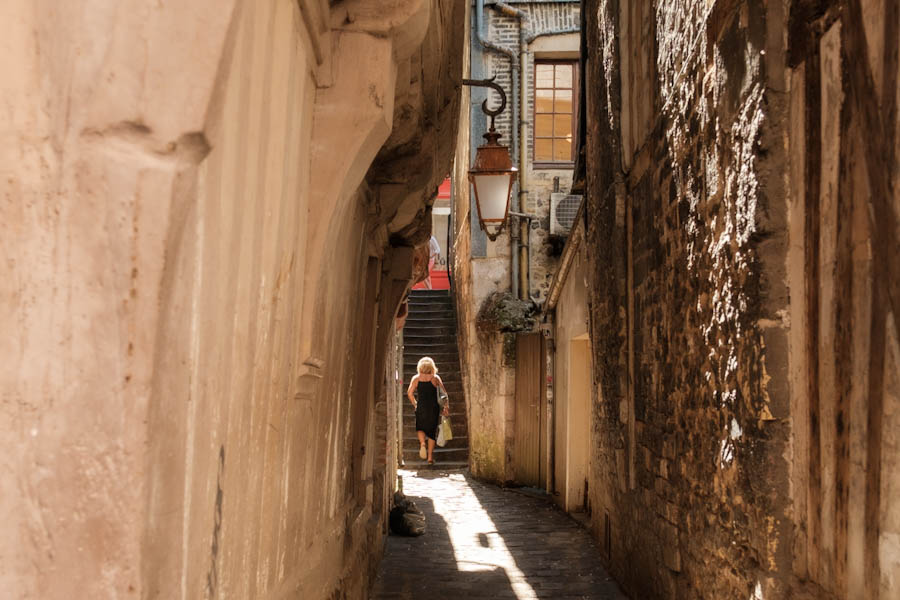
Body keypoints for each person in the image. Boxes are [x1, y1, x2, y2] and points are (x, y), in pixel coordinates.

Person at [406, 356, 449, 465]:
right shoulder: (435, 378)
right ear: (432, 367)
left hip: (421, 407)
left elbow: (409, 393)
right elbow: (444, 394)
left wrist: (415, 403)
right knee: (431, 432)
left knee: (420, 427)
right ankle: (430, 457)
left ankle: (422, 444)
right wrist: (446, 407)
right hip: (433, 408)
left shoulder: (416, 378)